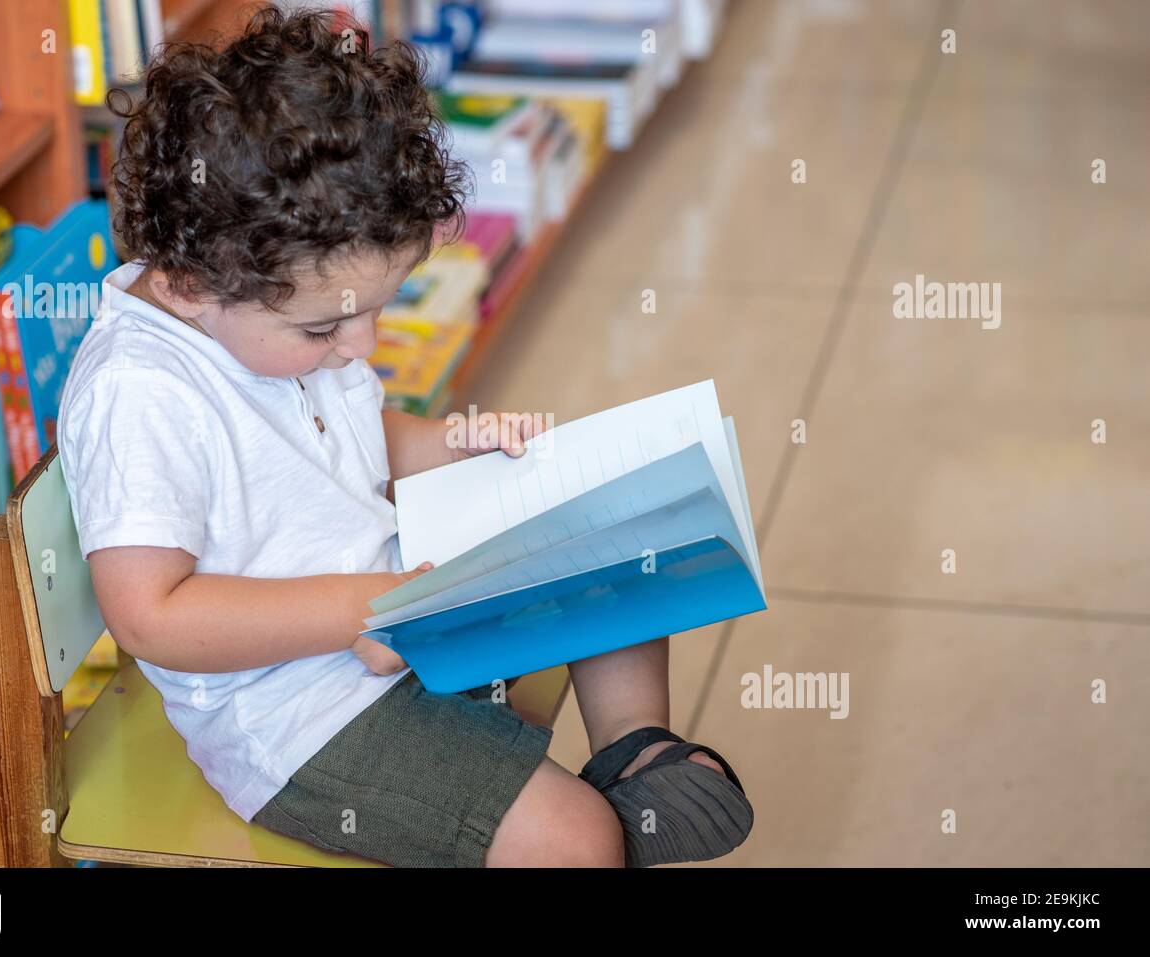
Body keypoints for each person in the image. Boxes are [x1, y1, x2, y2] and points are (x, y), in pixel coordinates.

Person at [58, 6, 752, 868]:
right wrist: (364, 606)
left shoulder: (266, 303)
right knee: (575, 840)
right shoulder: (141, 392)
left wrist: (451, 447)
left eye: (378, 311)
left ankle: (634, 750)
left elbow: (341, 443)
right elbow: (152, 615)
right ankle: (605, 820)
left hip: (395, 609)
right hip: (297, 713)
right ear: (195, 281)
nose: (362, 348)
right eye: (326, 333)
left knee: (597, 518)